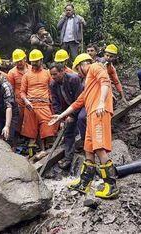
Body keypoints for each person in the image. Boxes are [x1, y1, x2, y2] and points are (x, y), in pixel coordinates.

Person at [49, 53, 119, 199]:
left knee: (99, 148)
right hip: (91, 115)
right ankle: (84, 182)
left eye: (78, 69)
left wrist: (101, 102)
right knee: (88, 148)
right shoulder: (88, 82)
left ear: (82, 65)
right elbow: (77, 103)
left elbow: (106, 82)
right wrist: (60, 116)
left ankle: (111, 186)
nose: (78, 73)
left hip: (99, 112)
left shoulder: (95, 66)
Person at [20, 49, 58, 155]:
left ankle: (45, 149)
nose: (34, 64)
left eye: (36, 61)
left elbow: (52, 89)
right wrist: (26, 101)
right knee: (31, 130)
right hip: (30, 105)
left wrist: (52, 103)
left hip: (44, 104)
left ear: (41, 60)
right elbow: (22, 92)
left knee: (47, 127)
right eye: (32, 62)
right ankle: (37, 150)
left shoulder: (47, 73)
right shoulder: (26, 75)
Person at [49, 63, 85, 169]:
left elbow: (79, 99)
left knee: (81, 120)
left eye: (55, 74)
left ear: (62, 71)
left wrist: (72, 115)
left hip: (82, 105)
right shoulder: (53, 84)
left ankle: (85, 146)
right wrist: (60, 118)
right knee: (68, 131)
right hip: (68, 109)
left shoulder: (73, 79)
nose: (53, 77)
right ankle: (68, 159)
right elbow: (55, 102)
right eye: (51, 75)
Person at [7, 49, 31, 147]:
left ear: (25, 59)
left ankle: (31, 143)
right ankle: (14, 145)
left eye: (20, 61)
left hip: (31, 99)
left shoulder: (31, 69)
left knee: (31, 122)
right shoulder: (12, 73)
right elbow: (10, 89)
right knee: (17, 124)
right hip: (18, 102)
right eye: (17, 61)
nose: (19, 63)